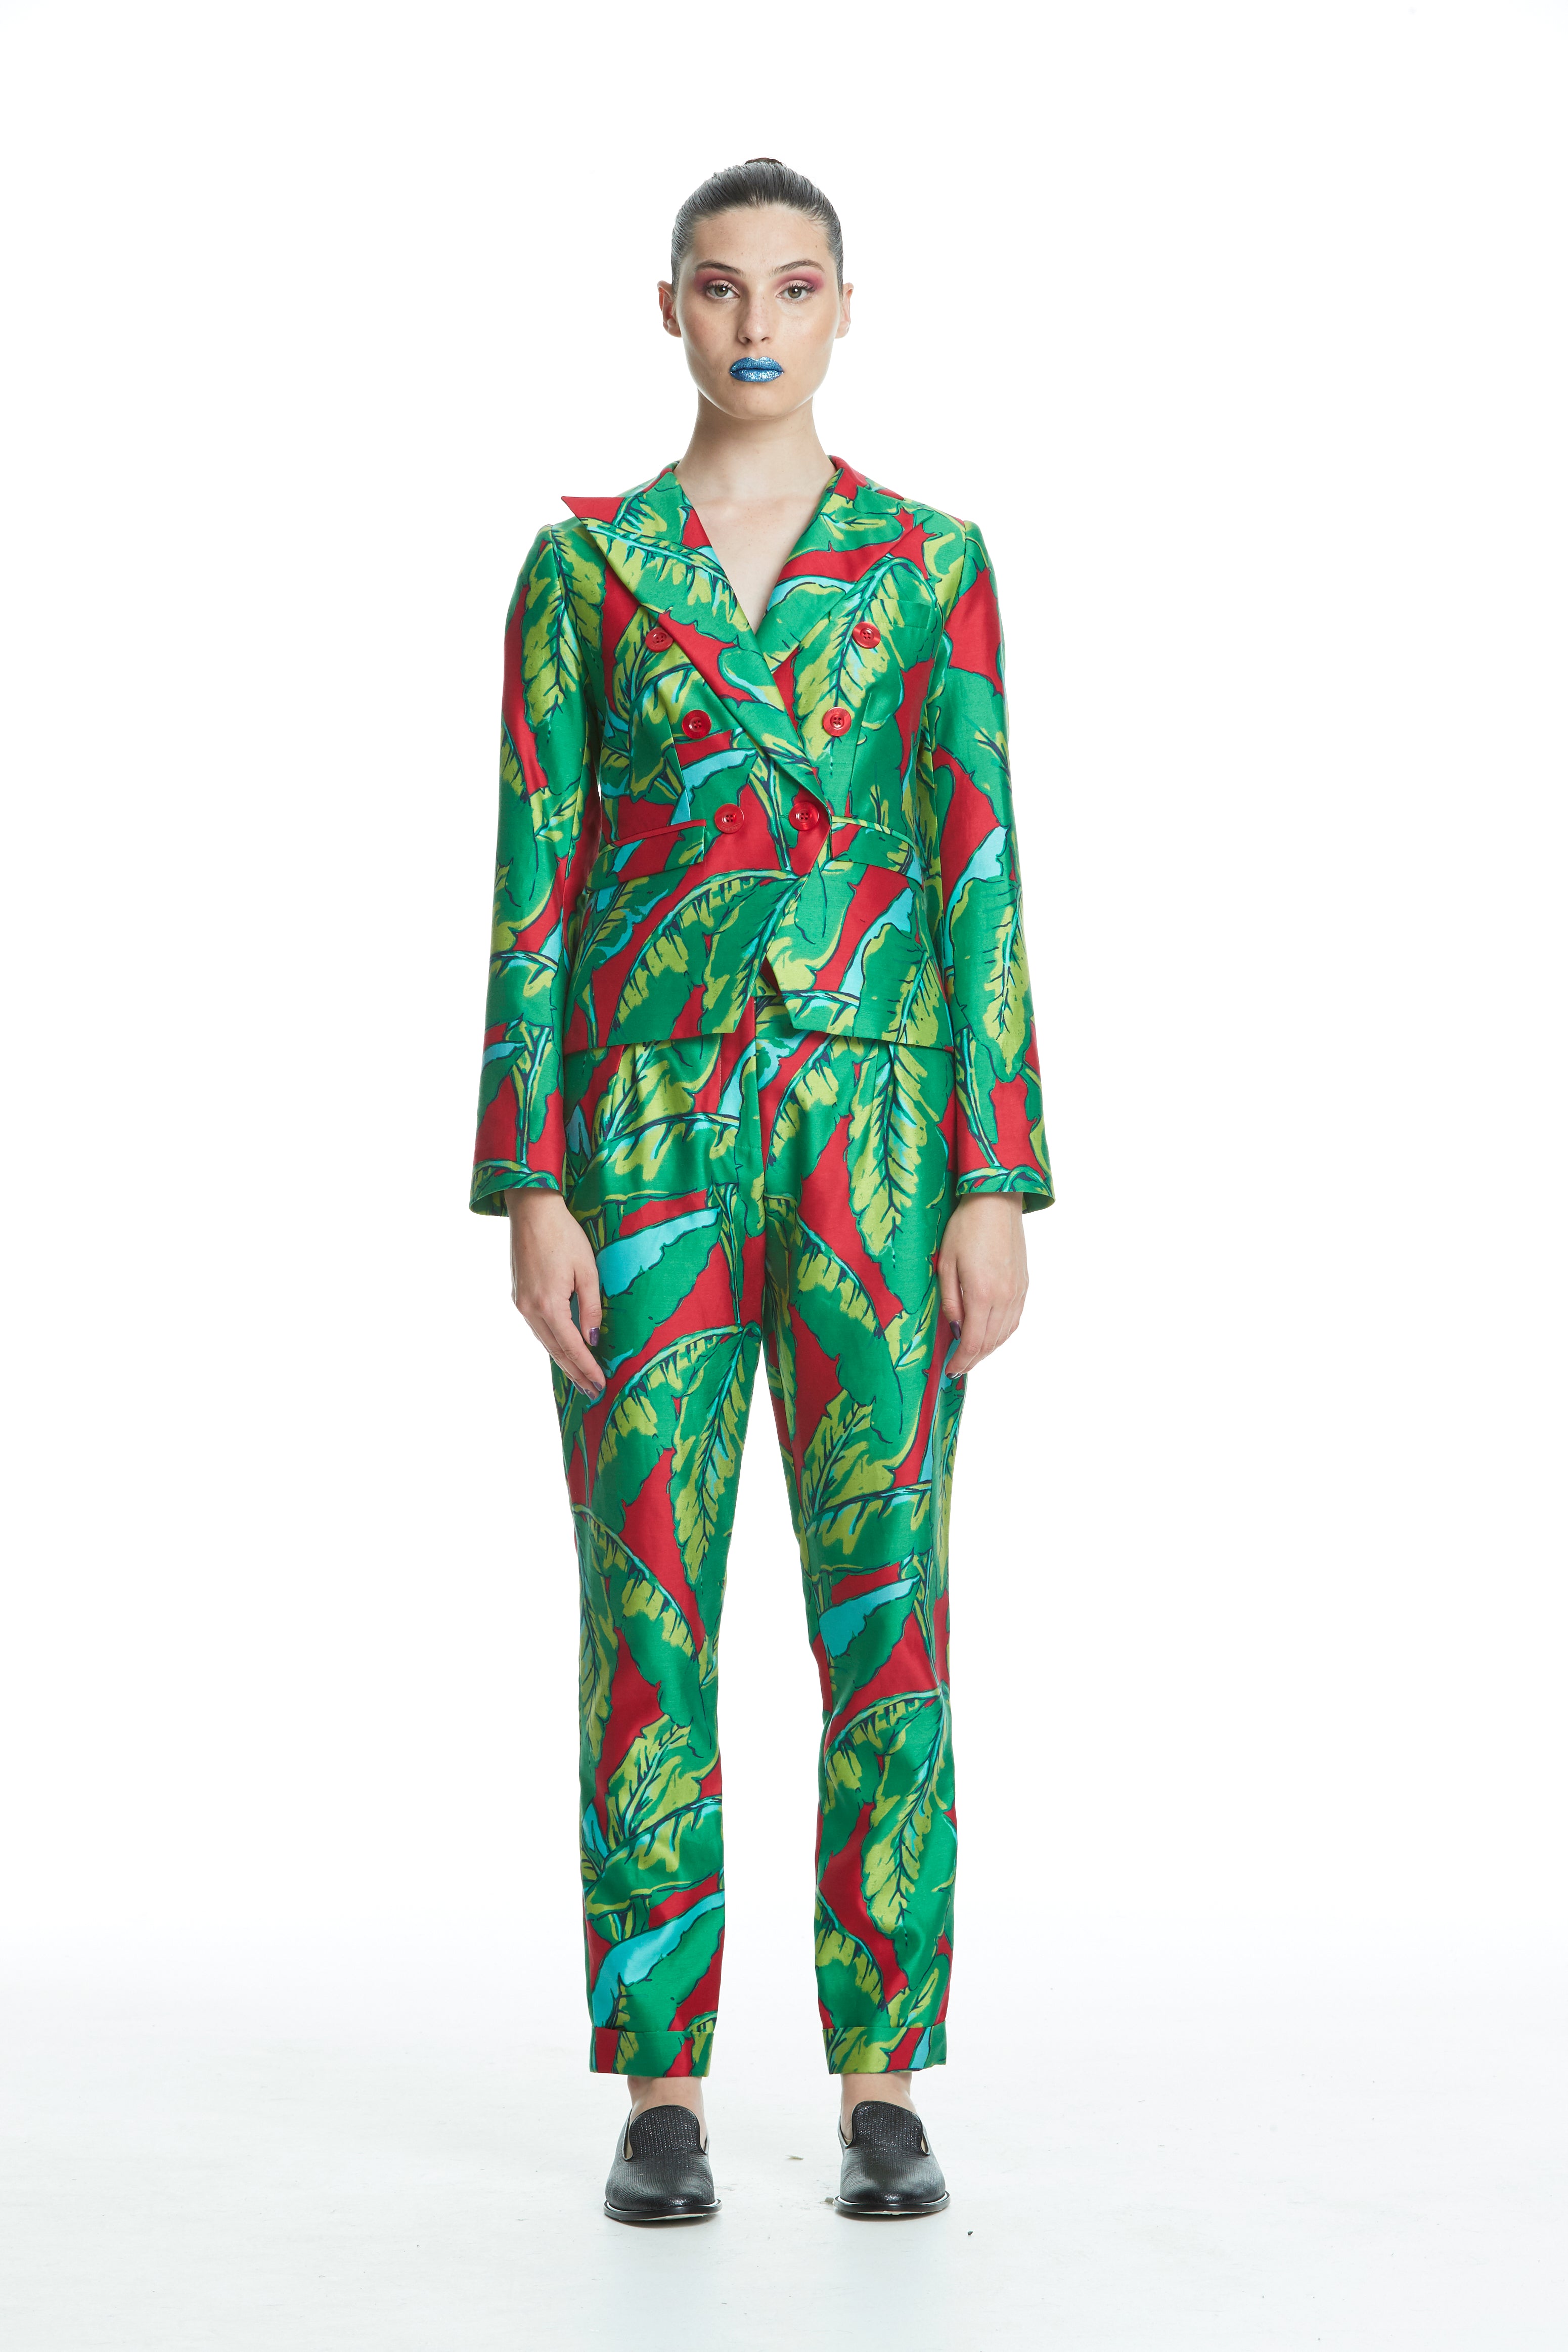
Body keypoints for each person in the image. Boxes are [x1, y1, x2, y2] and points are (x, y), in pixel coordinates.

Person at [469, 158, 1052, 2224]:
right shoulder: (588, 573)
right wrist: (528, 1181)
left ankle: (883, 2078)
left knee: (883, 1598)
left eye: (792, 289)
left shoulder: (927, 567)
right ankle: (662, 2089)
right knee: (645, 1601)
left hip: (877, 1139)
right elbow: (533, 882)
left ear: (840, 309)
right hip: (641, 1138)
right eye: (719, 289)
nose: (754, 325)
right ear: (669, 309)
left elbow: (977, 868)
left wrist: (994, 1176)